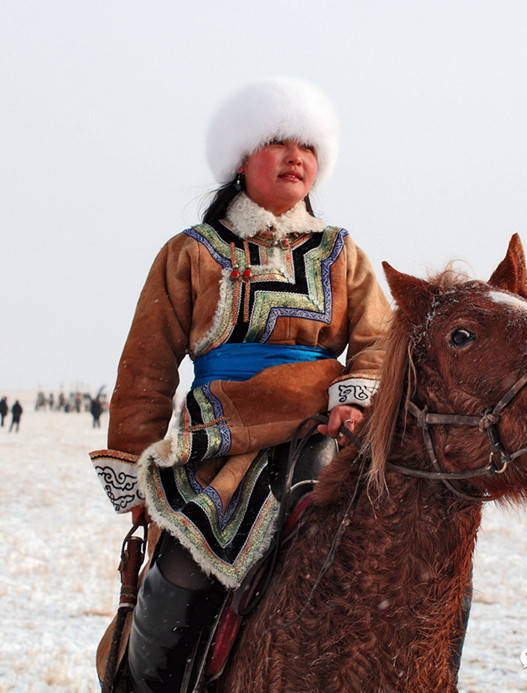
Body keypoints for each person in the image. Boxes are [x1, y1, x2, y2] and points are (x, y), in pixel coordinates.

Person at [90, 77, 390, 693]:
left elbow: (381, 342)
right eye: (276, 142)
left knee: (402, 561)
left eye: (306, 147)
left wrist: (356, 396)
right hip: (217, 446)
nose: (294, 157)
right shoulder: (191, 253)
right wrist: (134, 469)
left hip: (324, 437)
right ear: (240, 160)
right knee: (181, 570)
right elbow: (146, 369)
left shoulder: (342, 254)